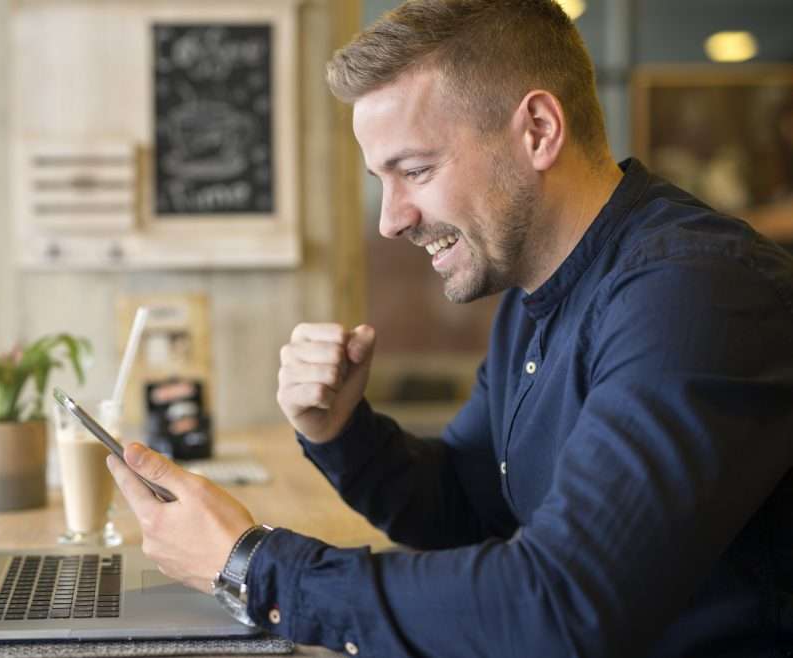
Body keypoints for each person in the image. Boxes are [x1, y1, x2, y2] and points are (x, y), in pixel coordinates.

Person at [105, 0, 793, 655]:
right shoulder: (536, 291)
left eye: (415, 170)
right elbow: (467, 505)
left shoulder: (696, 293)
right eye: (383, 179)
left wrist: (254, 568)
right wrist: (341, 432)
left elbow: (557, 609)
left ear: (539, 131)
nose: (391, 219)